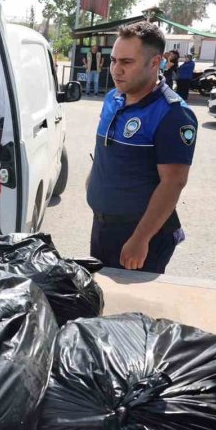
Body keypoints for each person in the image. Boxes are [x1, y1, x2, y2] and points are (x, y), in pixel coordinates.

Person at [87, 22, 198, 273]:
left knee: (129, 309)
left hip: (139, 235)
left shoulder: (173, 114)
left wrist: (140, 239)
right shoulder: (113, 98)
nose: (116, 69)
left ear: (154, 62)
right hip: (103, 226)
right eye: (114, 60)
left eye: (126, 62)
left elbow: (173, 183)